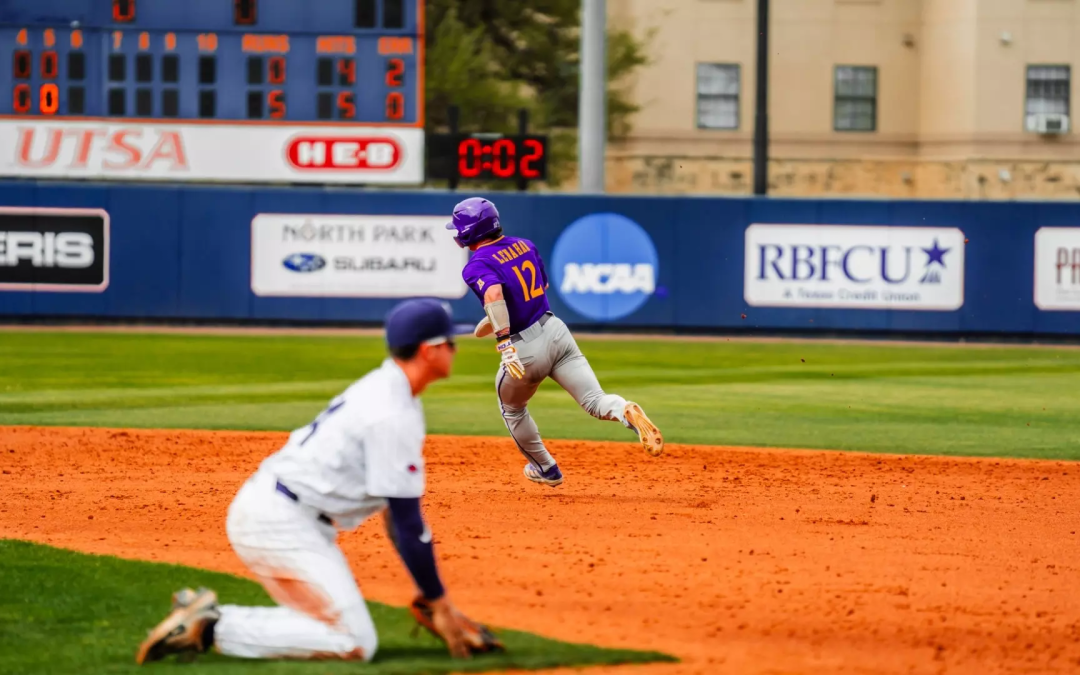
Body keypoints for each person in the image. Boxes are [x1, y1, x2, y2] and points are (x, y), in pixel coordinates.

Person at [136, 298, 493, 665]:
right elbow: (407, 521)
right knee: (354, 641)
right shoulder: (391, 413)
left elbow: (393, 515)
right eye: (450, 342)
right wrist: (441, 604)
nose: (455, 349)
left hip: (285, 513)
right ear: (428, 350)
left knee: (336, 628)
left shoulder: (390, 390)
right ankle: (212, 626)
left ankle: (209, 623)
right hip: (279, 524)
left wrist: (429, 595)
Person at [446, 197, 664, 489]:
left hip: (525, 348)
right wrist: (497, 318)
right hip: (556, 330)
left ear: (470, 231)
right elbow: (538, 289)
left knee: (512, 409)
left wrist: (503, 341)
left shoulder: (477, 264)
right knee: (595, 401)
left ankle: (546, 467)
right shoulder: (524, 245)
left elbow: (495, 295)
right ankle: (624, 409)